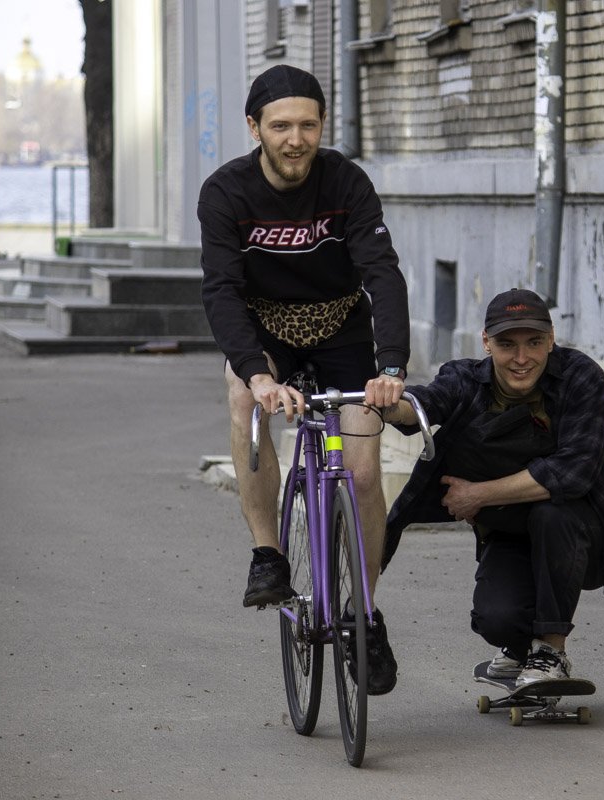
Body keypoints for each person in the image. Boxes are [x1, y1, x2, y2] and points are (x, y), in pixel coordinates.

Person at [198, 65, 408, 695]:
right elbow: (221, 290)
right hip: (264, 333)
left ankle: (362, 611)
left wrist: (392, 369)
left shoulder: (346, 181)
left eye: (308, 125)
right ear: (254, 128)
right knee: (243, 400)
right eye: (281, 125)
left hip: (342, 327)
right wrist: (258, 375)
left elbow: (383, 273)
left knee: (365, 472)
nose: (296, 139)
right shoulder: (226, 192)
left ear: (322, 126)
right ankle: (269, 553)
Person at [379, 288, 604, 685]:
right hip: (510, 529)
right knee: (494, 619)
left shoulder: (580, 376)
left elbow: (573, 470)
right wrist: (388, 400)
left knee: (553, 513)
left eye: (534, 343)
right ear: (486, 342)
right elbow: (424, 405)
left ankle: (552, 652)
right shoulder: (464, 379)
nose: (522, 359)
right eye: (507, 345)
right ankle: (519, 651)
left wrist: (477, 495)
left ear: (551, 338)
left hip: (579, 528)